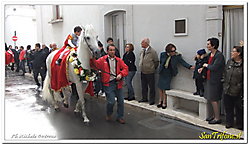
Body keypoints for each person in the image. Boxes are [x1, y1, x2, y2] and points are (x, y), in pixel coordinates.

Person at [91, 44, 128, 124]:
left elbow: (125, 68)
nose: (112, 52)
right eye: (110, 50)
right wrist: (92, 57)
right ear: (107, 51)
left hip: (118, 83)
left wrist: (121, 74)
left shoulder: (119, 60)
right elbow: (94, 65)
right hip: (108, 84)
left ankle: (120, 117)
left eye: (113, 50)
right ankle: (109, 114)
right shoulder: (102, 60)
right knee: (111, 101)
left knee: (121, 101)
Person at [157, 43, 194, 109]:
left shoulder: (177, 56)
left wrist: (190, 66)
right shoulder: (163, 54)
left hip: (169, 72)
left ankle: (164, 102)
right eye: (172, 51)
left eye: (174, 51)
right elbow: (161, 62)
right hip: (162, 72)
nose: (174, 52)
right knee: (160, 87)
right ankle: (160, 100)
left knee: (165, 87)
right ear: (168, 51)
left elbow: (182, 62)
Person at [198, 37, 225, 124]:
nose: (207, 46)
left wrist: (206, 66)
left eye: (209, 44)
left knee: (214, 99)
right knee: (210, 98)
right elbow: (206, 64)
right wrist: (202, 68)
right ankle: (214, 116)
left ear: (213, 45)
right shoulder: (210, 54)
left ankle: (217, 118)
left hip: (215, 80)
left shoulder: (219, 55)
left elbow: (214, 67)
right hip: (209, 79)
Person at [223, 46, 243, 129]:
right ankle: (229, 122)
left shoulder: (243, 64)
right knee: (228, 108)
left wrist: (240, 86)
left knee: (239, 109)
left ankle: (240, 124)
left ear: (239, 53)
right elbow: (224, 72)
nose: (231, 53)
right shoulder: (229, 62)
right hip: (227, 88)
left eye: (233, 51)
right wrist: (223, 82)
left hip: (239, 91)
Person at [138, 38, 159, 105]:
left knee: (151, 87)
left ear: (146, 43)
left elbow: (156, 61)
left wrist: (152, 68)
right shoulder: (142, 51)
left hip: (150, 72)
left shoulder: (152, 51)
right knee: (144, 86)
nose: (141, 44)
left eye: (142, 43)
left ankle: (152, 100)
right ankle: (144, 98)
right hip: (143, 71)